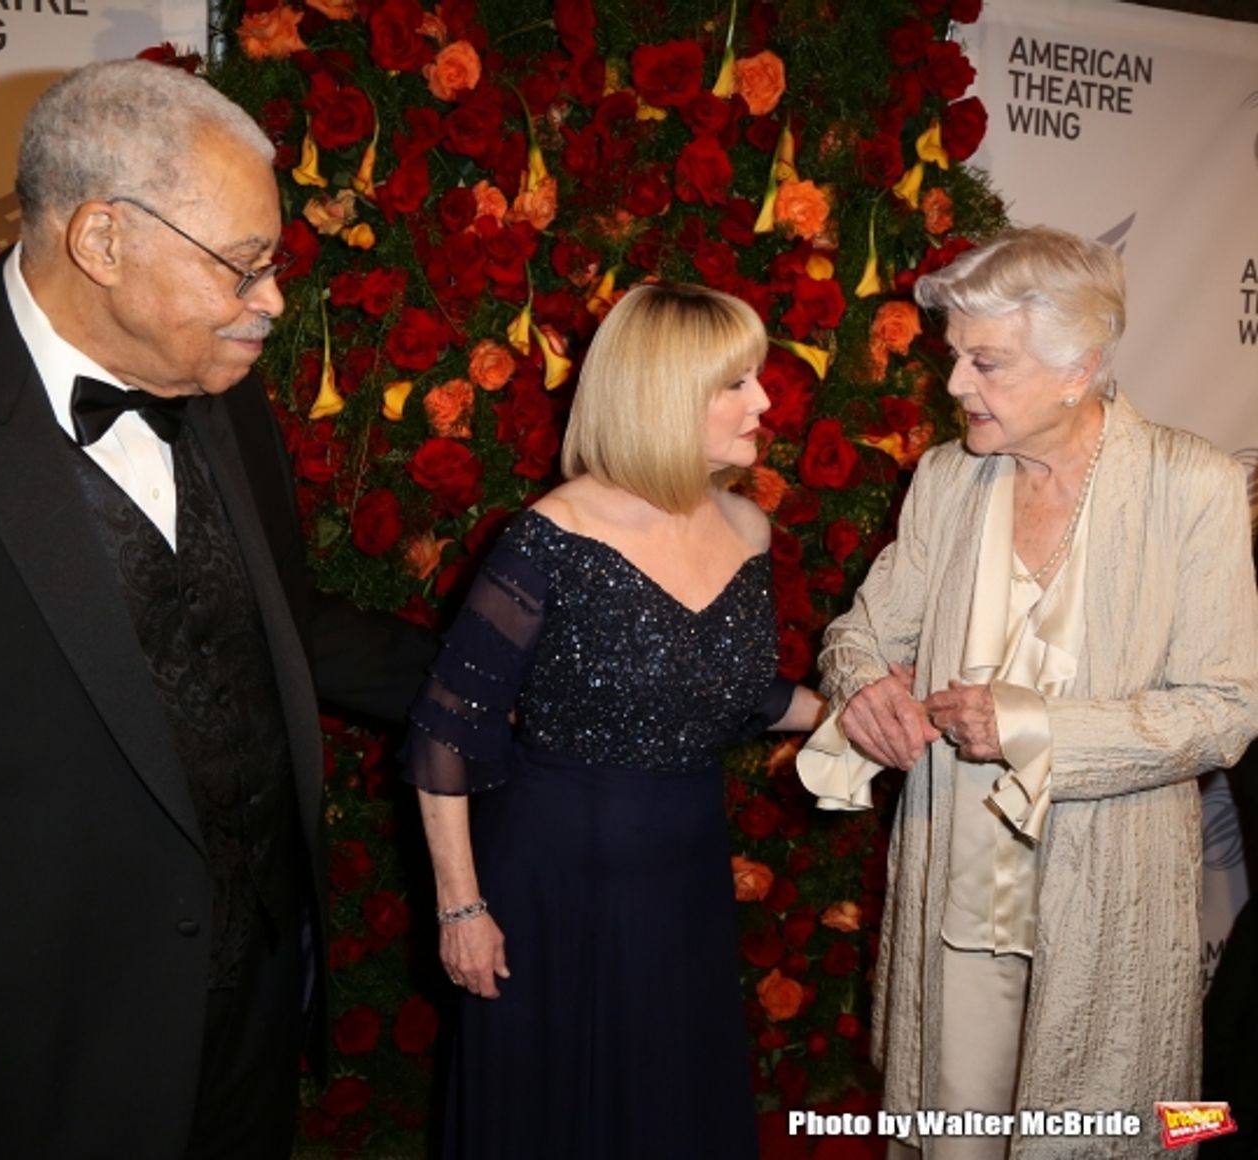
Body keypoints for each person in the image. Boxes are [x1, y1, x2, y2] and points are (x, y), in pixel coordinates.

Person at [0, 60, 434, 1160]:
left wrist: (490, 684)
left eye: (273, 263)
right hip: (17, 1064)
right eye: (242, 265)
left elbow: (271, 623)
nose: (271, 301)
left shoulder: (215, 378)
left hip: (249, 1020)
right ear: (102, 240)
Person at [797, 226, 1258, 1158]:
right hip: (955, 899)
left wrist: (1034, 726)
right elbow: (859, 633)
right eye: (955, 356)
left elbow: (1224, 710)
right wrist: (863, 688)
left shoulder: (1192, 487)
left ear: (1077, 368)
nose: (955, 384)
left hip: (1108, 912)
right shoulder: (947, 478)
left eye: (986, 362)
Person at [403, 283, 824, 1159]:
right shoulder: (552, 533)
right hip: (557, 877)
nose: (765, 401)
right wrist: (461, 908)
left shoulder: (747, 528)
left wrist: (864, 718)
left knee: (670, 1106)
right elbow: (448, 729)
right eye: (737, 383)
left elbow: (744, 694)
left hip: (684, 875)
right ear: (665, 395)